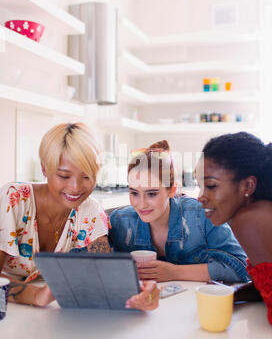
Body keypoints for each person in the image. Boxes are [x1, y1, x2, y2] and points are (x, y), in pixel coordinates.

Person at [0, 123, 159, 311]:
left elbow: (105, 273)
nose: (75, 188)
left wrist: (138, 292)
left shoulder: (90, 210)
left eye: (86, 176)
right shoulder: (15, 198)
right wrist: (36, 295)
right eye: (64, 176)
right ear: (44, 169)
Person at [198, 131, 272, 335]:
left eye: (210, 186)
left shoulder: (250, 220)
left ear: (248, 185)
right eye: (199, 185)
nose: (201, 196)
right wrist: (237, 293)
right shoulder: (265, 212)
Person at [109, 140, 249, 283]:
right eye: (134, 193)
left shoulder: (202, 215)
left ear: (172, 190)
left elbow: (242, 268)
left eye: (151, 194)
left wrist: (174, 272)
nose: (141, 204)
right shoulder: (120, 222)